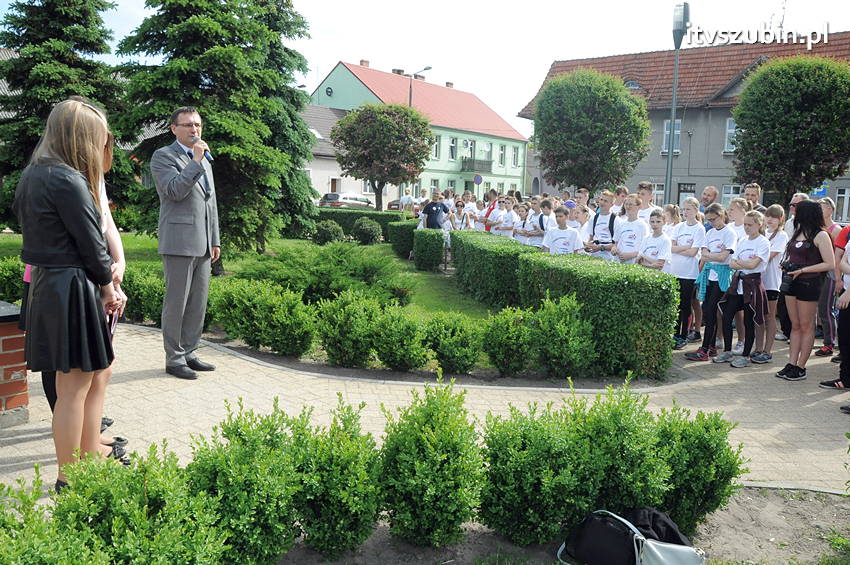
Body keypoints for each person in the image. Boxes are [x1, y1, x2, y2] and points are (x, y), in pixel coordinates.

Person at [13, 98, 124, 493]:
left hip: (48, 284)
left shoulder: (32, 175)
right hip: (72, 287)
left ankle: (84, 460)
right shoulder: (68, 179)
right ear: (81, 137)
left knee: (84, 380)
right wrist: (109, 287)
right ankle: (69, 477)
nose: (102, 145)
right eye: (99, 137)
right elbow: (93, 246)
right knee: (75, 388)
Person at [151, 106, 221, 380]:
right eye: (188, 125)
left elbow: (211, 202)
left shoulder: (203, 159)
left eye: (198, 125)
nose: (195, 130)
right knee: (176, 303)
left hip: (203, 242)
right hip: (178, 242)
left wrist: (214, 239)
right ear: (174, 129)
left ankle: (190, 352)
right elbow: (174, 191)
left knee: (197, 303)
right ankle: (174, 358)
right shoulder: (163, 156)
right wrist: (195, 161)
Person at [776, 199, 835, 381]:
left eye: (796, 210)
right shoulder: (798, 232)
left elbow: (829, 263)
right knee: (795, 325)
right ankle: (791, 363)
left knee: (806, 325)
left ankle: (801, 366)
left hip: (809, 284)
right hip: (791, 281)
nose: (793, 212)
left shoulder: (821, 235)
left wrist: (802, 270)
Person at [714, 210, 770, 368]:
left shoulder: (763, 242)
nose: (746, 227)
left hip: (751, 284)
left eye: (750, 225)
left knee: (748, 321)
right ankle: (727, 350)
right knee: (726, 315)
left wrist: (741, 263)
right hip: (738, 283)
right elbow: (731, 263)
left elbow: (754, 265)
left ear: (759, 225)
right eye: (745, 224)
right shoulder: (742, 240)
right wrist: (743, 264)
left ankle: (745, 355)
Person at [685, 203, 737, 361]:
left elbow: (723, 257)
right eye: (708, 220)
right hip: (710, 275)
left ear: (721, 216)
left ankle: (706, 348)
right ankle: (710, 346)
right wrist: (712, 256)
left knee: (711, 310)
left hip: (722, 276)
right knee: (708, 310)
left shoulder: (730, 233)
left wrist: (710, 256)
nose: (711, 223)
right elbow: (704, 253)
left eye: (713, 220)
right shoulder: (710, 232)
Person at [754, 204, 789, 363]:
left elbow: (768, 256)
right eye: (768, 216)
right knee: (758, 316)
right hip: (757, 280)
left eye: (774, 217)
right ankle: (758, 348)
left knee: (770, 317)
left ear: (781, 219)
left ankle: (767, 351)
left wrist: (751, 262)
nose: (770, 220)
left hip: (772, 282)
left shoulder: (781, 236)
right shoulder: (763, 233)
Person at [669, 197, 706, 350]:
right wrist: (685, 247)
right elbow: (671, 248)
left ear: (696, 210)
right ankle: (675, 334)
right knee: (676, 305)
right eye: (684, 209)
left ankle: (683, 335)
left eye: (689, 209)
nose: (685, 212)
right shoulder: (679, 227)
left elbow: (693, 253)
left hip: (689, 273)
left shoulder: (699, 229)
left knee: (686, 305)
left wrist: (681, 248)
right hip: (676, 271)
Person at [814, 197, 841, 357]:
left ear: (830, 210)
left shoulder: (835, 230)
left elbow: (838, 257)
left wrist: (838, 278)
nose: (819, 211)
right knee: (818, 309)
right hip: (818, 273)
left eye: (822, 208)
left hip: (829, 274)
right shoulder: (817, 228)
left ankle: (829, 343)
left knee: (826, 309)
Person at [822, 244, 850, 395]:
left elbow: (846, 265)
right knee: (845, 338)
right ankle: (845, 379)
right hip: (846, 291)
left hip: (848, 293)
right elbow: (842, 263)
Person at [612, 194, 649, 264]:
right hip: (619, 262)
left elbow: (645, 248)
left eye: (631, 204)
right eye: (626, 204)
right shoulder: (621, 223)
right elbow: (615, 243)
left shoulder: (643, 225)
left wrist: (630, 255)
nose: (628, 207)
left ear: (639, 207)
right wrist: (614, 249)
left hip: (634, 263)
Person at [584, 190, 620, 261]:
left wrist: (601, 247)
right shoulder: (593, 218)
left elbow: (618, 244)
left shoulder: (616, 220)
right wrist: (588, 246)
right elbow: (591, 238)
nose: (602, 202)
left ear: (612, 204)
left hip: (610, 257)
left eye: (605, 201)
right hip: (595, 256)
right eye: (601, 199)